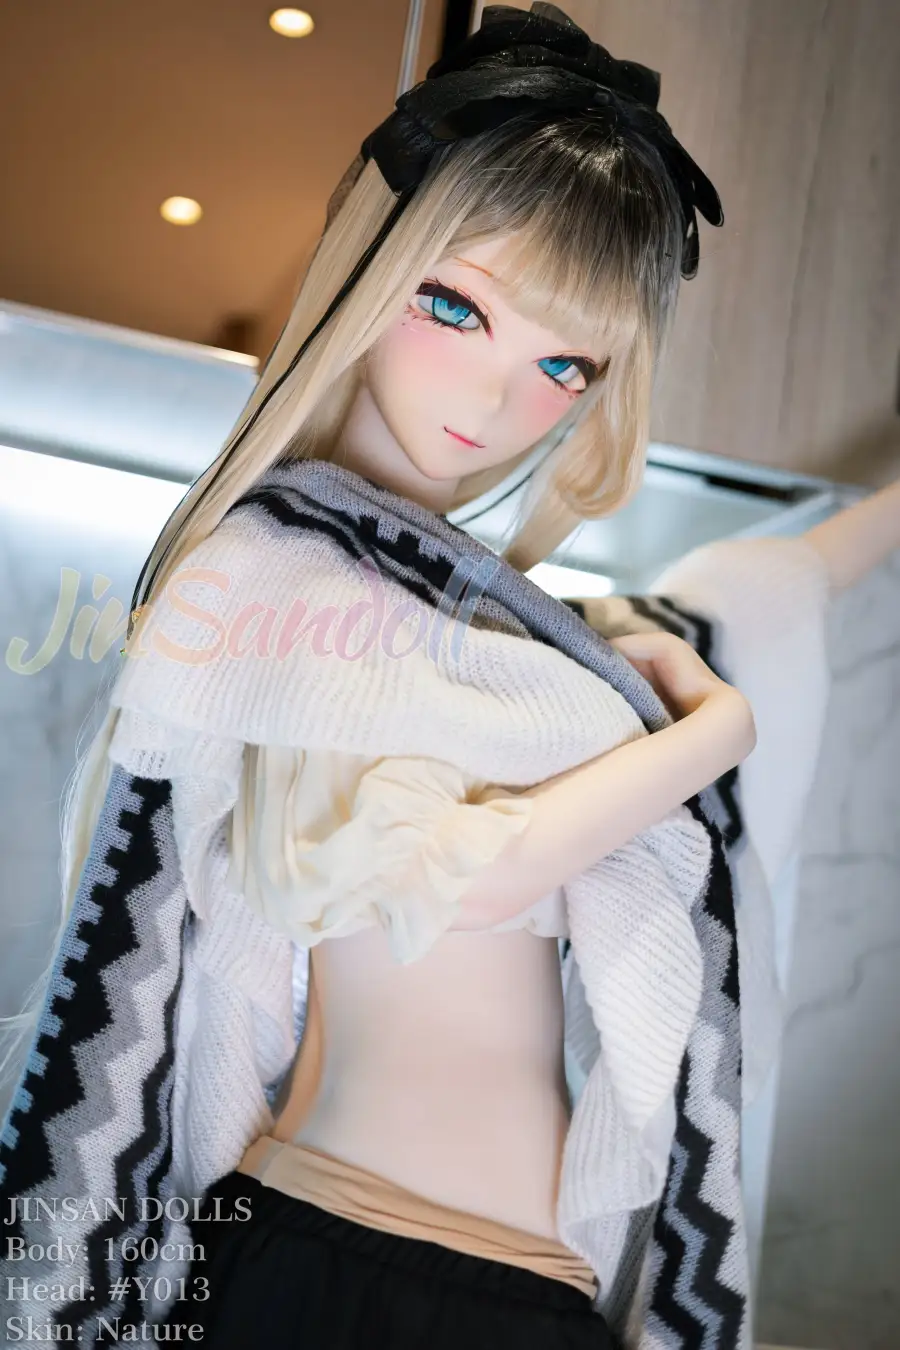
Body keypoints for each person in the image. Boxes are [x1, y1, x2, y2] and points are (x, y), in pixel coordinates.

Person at [2, 5, 899, 1349]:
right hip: (345, 1265)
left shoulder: (510, 650)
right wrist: (720, 730)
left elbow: (764, 590)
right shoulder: (275, 577)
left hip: (491, 1288)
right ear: (379, 275)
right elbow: (472, 872)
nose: (496, 399)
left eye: (563, 364)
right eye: (456, 306)